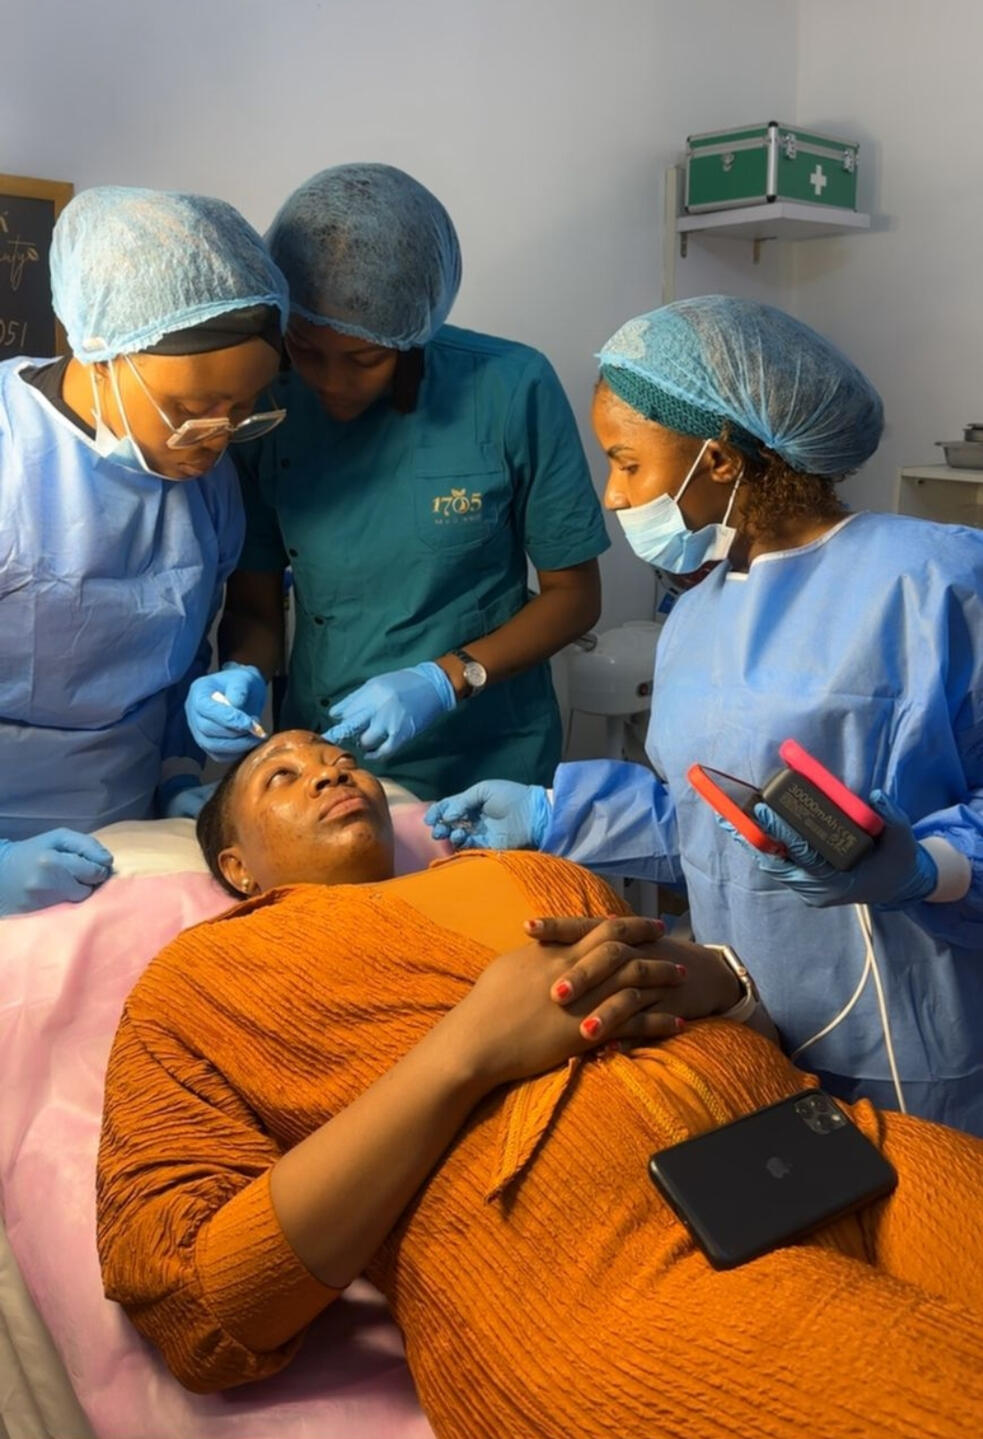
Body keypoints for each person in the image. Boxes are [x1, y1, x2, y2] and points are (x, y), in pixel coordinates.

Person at [96, 730, 983, 1437]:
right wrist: (462, 1053)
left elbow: (728, 1023)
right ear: (236, 866)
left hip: (834, 1149)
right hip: (605, 1280)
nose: (330, 768)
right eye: (281, 777)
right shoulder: (198, 980)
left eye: (337, 755)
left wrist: (717, 977)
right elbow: (195, 1303)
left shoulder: (533, 873)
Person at [426, 295, 983, 1136]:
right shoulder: (696, 615)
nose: (612, 495)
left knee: (929, 1201)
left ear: (717, 459)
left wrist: (928, 867)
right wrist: (554, 810)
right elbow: (708, 819)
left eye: (626, 463)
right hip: (750, 1019)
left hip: (918, 1031)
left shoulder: (937, 582)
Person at [184, 164, 608, 799]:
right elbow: (255, 608)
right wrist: (240, 673)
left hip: (489, 762)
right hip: (331, 762)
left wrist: (449, 678)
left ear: (414, 335)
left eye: (364, 359)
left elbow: (574, 597)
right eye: (306, 350)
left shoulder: (510, 388)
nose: (330, 382)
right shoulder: (267, 404)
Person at [0, 185, 289, 916]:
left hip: (131, 831)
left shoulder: (207, 483)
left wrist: (178, 770)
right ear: (100, 353)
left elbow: (181, 654)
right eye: (191, 409)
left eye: (241, 410)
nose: (217, 437)